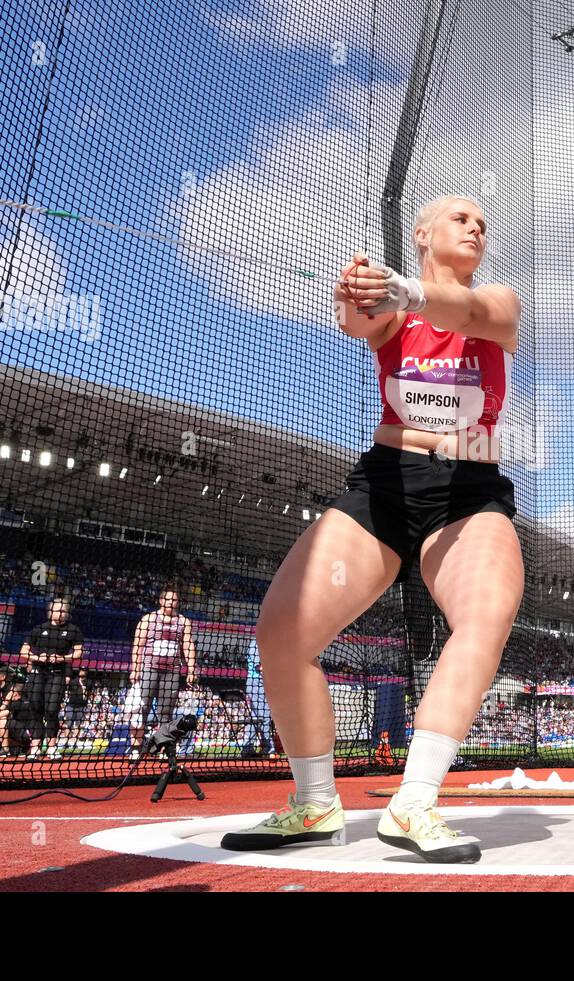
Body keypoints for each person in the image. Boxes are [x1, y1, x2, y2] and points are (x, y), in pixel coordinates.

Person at [222, 196, 523, 863]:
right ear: (422, 234)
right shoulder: (395, 309)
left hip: (467, 489)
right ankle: (315, 804)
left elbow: (472, 312)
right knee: (281, 629)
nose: (476, 226)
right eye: (460, 218)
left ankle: (413, 803)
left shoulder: (499, 300)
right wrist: (353, 294)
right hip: (389, 480)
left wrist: (408, 288)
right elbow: (359, 321)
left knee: (485, 614)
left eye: (482, 222)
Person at [128, 586, 197, 758]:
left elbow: (188, 645)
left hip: (171, 671)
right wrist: (135, 668)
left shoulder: (183, 622)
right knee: (140, 709)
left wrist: (191, 669)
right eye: (168, 599)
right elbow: (138, 644)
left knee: (166, 712)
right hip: (149, 668)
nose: (171, 603)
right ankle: (136, 748)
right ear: (161, 601)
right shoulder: (148, 619)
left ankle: (164, 747)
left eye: (174, 600)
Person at [20, 597, 84, 760]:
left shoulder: (73, 630)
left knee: (52, 710)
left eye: (64, 611)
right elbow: (24, 651)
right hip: (38, 673)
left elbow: (78, 653)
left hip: (58, 673)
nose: (61, 613)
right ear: (51, 611)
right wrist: (36, 658)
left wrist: (62, 659)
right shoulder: (38, 629)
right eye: (58, 610)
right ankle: (35, 747)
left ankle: (52, 747)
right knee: (35, 708)